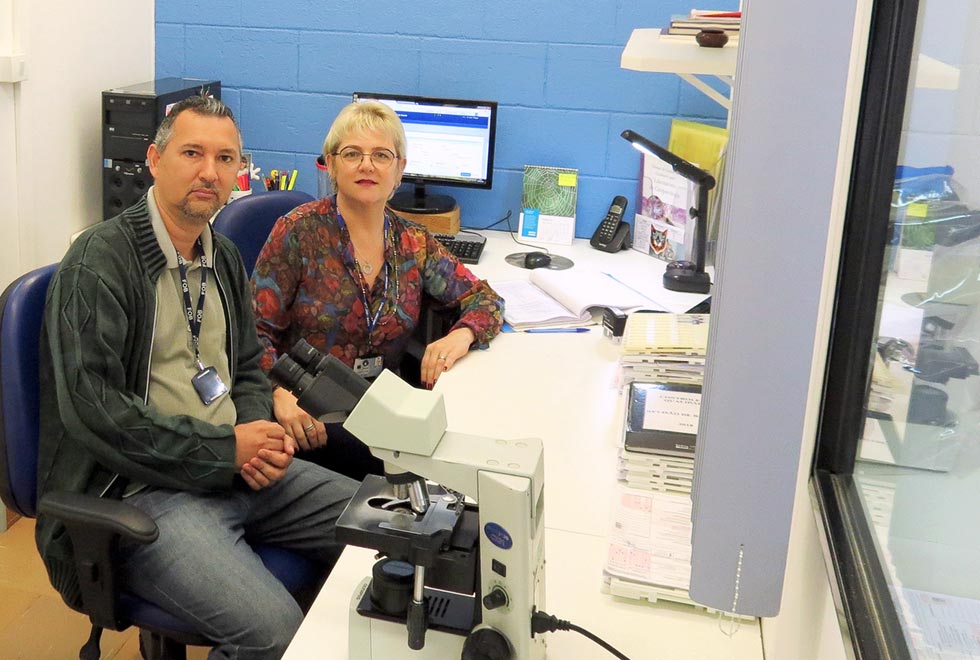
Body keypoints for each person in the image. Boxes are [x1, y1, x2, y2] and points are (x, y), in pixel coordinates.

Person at [35, 95, 358, 660]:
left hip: (236, 470)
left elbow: (249, 368)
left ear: (239, 171)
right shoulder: (99, 262)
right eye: (192, 152)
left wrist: (258, 438)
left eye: (225, 158)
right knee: (272, 635)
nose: (210, 172)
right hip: (146, 492)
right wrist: (224, 450)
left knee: (386, 531)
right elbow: (96, 411)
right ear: (155, 159)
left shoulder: (225, 258)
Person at [251, 100, 504, 478]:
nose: (367, 165)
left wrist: (462, 335)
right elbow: (252, 332)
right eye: (352, 153)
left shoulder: (412, 242)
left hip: (384, 411)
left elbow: (485, 299)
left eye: (381, 155)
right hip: (310, 415)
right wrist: (279, 392)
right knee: (443, 468)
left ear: (400, 169)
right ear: (332, 164)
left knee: (471, 451)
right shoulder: (298, 232)